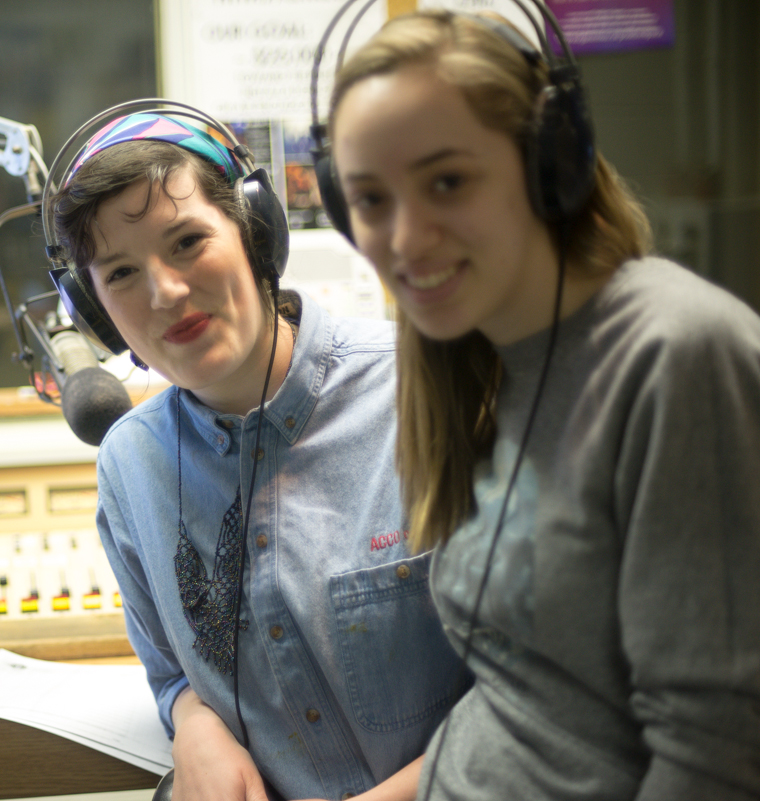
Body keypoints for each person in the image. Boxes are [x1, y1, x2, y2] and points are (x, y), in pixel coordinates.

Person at [326, 9, 760, 800]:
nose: (406, 238)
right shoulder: (491, 358)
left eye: (447, 182)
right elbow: (529, 697)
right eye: (370, 198)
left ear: (551, 163)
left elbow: (716, 752)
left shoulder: (675, 352)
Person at [44, 108, 471, 801]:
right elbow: (171, 671)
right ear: (95, 313)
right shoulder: (130, 464)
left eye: (187, 241)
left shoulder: (428, 391)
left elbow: (537, 688)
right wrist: (193, 721)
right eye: (120, 272)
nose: (165, 292)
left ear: (256, 231)